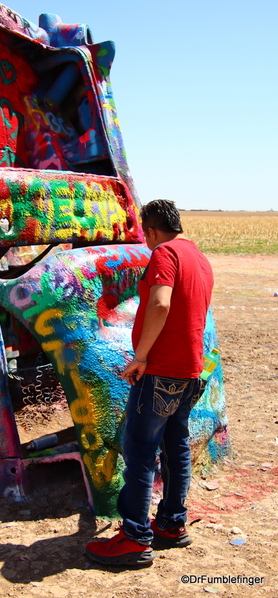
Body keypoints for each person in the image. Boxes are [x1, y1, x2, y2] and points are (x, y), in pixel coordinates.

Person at [85, 199, 214, 566]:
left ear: (151, 231)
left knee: (140, 451)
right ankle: (171, 524)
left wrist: (140, 356)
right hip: (190, 370)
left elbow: (160, 304)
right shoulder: (200, 259)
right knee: (175, 447)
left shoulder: (164, 254)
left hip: (160, 370)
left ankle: (134, 538)